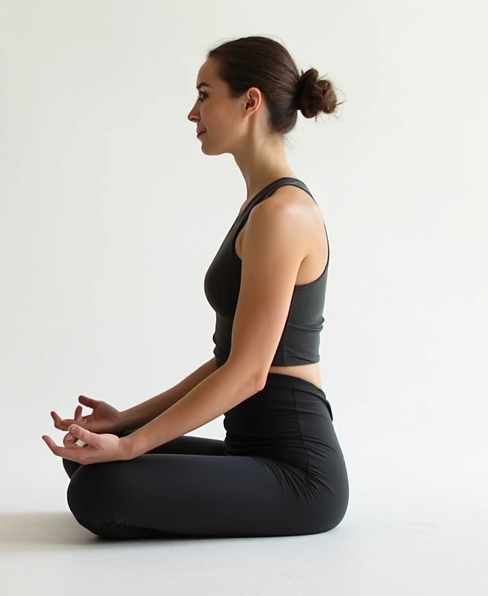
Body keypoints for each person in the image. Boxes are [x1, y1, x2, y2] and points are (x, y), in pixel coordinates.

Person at [42, 36, 349, 539]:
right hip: (250, 450)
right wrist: (124, 424)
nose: (192, 112)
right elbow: (230, 359)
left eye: (205, 94)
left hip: (300, 474)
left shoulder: (283, 214)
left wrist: (131, 446)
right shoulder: (263, 207)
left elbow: (249, 374)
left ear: (250, 101)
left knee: (100, 490)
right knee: (87, 462)